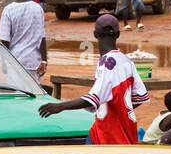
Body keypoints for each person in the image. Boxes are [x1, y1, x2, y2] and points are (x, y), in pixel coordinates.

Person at [38, 13, 148, 144]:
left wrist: (60, 106)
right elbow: (140, 96)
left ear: (95, 34)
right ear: (118, 34)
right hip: (125, 130)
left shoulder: (108, 63)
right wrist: (120, 110)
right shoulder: (126, 61)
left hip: (107, 134)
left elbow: (93, 98)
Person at [0, 0, 47, 79]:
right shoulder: (38, 9)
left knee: (16, 94)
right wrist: (44, 60)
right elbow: (42, 38)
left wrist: (4, 62)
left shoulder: (8, 10)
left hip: (15, 62)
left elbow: (4, 41)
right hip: (34, 63)